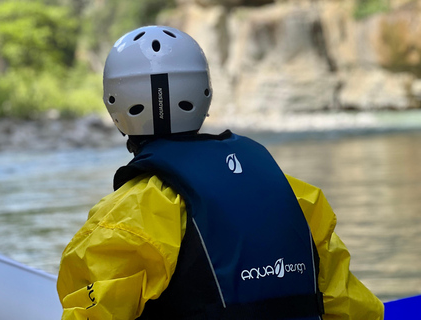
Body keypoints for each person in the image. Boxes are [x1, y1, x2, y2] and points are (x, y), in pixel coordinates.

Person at [57, 25, 384, 320]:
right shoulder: (297, 196)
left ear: (115, 105)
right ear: (204, 94)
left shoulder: (128, 216)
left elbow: (89, 312)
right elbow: (352, 306)